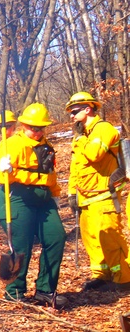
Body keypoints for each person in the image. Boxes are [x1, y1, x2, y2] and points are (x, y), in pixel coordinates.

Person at [0, 102, 67, 307]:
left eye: (41, 127)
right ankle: (14, 291)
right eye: (33, 127)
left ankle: (46, 289)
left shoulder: (48, 147)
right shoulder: (11, 144)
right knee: (21, 244)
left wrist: (56, 194)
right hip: (17, 199)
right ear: (24, 125)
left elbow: (51, 176)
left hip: (43, 200)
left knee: (57, 237)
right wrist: (5, 169)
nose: (37, 131)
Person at [65, 91, 130, 291]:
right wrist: (71, 193)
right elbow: (76, 166)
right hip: (85, 197)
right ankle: (101, 275)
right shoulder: (83, 135)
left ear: (88, 109)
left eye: (75, 111)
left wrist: (81, 138)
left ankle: (124, 278)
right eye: (70, 112)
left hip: (104, 196)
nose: (71, 116)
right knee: (92, 240)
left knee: (110, 238)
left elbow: (94, 155)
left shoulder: (104, 129)